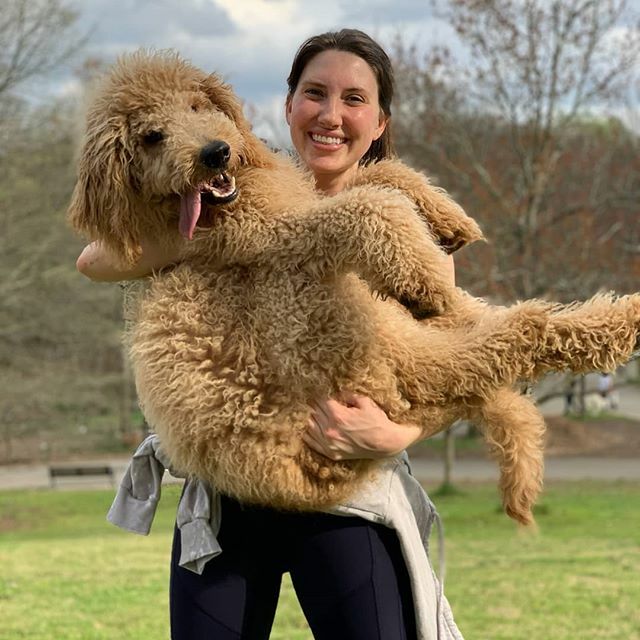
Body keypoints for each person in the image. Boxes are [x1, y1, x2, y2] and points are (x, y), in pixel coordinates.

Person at [77, 29, 465, 640]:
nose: (331, 115)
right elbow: (97, 257)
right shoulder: (222, 194)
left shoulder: (408, 228)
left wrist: (399, 431)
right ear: (288, 107)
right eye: (315, 93)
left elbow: (458, 360)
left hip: (345, 488)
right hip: (225, 495)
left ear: (380, 121)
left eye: (354, 99)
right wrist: (229, 232)